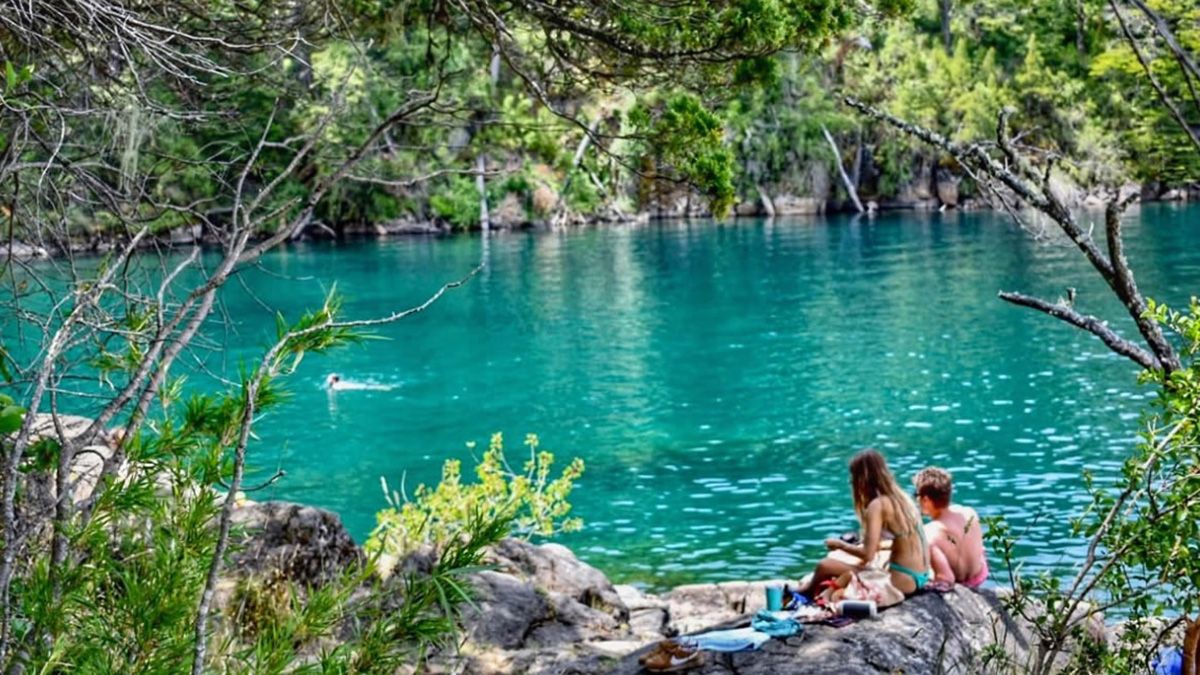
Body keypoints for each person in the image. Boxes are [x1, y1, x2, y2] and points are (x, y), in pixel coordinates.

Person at [800, 449, 931, 600]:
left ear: (863, 478)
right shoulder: (902, 498)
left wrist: (840, 545)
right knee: (865, 562)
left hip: (901, 581)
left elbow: (868, 555)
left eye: (854, 476)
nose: (851, 481)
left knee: (825, 565)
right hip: (920, 576)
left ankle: (804, 592)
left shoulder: (878, 505)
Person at [913, 466, 988, 588]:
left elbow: (946, 579)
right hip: (979, 577)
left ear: (926, 499)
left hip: (960, 583)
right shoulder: (970, 513)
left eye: (917, 495)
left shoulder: (929, 533)